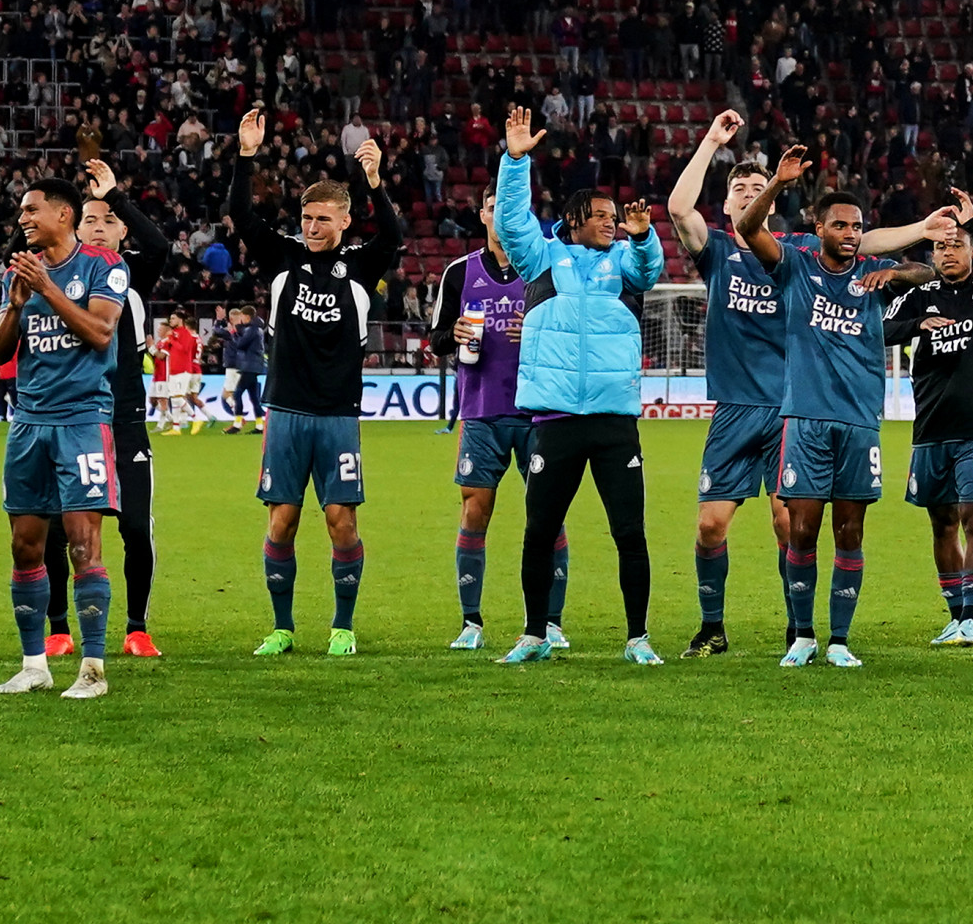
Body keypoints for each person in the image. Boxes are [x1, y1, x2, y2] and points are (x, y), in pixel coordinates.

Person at [732, 150, 957, 668]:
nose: (851, 233)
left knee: (850, 532)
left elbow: (930, 273)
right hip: (805, 419)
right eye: (841, 225)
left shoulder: (875, 272)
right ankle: (803, 636)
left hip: (860, 423)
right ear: (820, 229)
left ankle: (839, 641)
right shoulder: (793, 266)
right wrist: (777, 184)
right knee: (803, 530)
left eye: (857, 226)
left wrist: (899, 275)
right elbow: (748, 227)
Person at [494, 112, 666, 666]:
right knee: (539, 531)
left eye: (615, 218)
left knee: (630, 533)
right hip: (556, 420)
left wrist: (643, 238)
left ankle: (638, 636)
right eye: (601, 217)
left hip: (615, 421)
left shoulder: (624, 260)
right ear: (573, 220)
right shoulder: (540, 256)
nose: (612, 224)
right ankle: (534, 632)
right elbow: (512, 220)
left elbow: (650, 271)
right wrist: (516, 160)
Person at [231, 109, 398, 658]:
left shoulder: (362, 261)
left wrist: (375, 184)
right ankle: (282, 627)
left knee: (340, 521)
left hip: (337, 415)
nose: (311, 227)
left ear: (344, 222)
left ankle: (342, 625)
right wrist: (246, 156)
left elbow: (392, 234)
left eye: (322, 219)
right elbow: (241, 214)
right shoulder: (283, 256)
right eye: (306, 218)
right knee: (282, 520)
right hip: (285, 410)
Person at [0, 173, 128, 699]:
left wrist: (47, 288)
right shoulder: (18, 273)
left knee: (82, 543)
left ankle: (92, 668)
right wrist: (19, 302)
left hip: (81, 421)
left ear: (63, 214)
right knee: (25, 545)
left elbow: (99, 333)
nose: (22, 219)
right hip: (28, 422)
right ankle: (34, 664)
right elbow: (1, 355)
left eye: (31, 210)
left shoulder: (103, 266)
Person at [665, 110, 789, 657]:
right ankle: (712, 627)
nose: (746, 194)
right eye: (738, 189)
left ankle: (800, 628)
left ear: (771, 202)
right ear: (727, 202)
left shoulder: (791, 257)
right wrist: (712, 142)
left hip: (788, 409)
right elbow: (675, 208)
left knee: (790, 525)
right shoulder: (717, 251)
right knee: (710, 527)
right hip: (734, 409)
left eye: (757, 189)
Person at [62, 162, 177, 656]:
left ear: (123, 230)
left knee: (134, 526)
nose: (99, 227)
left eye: (109, 220)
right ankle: (57, 628)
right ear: (74, 225)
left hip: (124, 423)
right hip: (71, 419)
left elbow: (161, 247)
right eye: (90, 219)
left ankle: (136, 627)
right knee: (59, 531)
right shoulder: (54, 271)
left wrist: (117, 195)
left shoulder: (130, 277)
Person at [888, 220, 973, 643]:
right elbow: (874, 329)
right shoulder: (917, 298)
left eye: (956, 246)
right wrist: (915, 326)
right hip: (929, 431)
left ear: (972, 252)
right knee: (942, 524)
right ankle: (954, 616)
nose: (947, 253)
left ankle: (972, 618)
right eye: (940, 248)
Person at [426, 185, 544, 651]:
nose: (502, 214)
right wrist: (451, 336)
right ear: (483, 215)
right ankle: (471, 621)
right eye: (495, 207)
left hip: (539, 410)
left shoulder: (543, 269)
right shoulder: (459, 273)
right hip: (481, 411)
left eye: (511, 206)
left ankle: (549, 621)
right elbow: (435, 338)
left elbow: (564, 332)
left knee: (547, 516)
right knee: (475, 511)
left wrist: (534, 331)